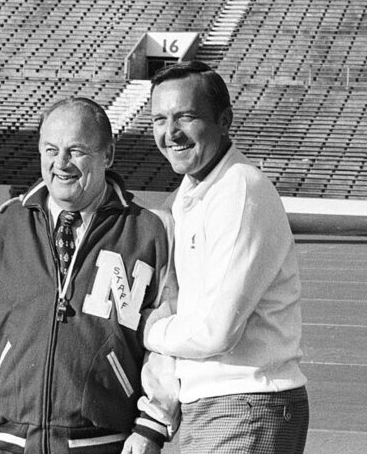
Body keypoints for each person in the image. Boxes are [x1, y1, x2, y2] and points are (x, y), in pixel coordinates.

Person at [0, 97, 179, 454]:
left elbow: (165, 341)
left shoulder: (148, 233)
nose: (61, 164)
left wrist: (152, 424)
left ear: (108, 154)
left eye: (76, 150)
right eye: (50, 149)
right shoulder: (8, 226)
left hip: (105, 443)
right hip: (12, 441)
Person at [144, 61, 309, 454]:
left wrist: (147, 331)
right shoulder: (188, 195)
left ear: (224, 121)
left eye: (186, 116)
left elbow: (217, 332)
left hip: (246, 401)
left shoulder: (239, 189)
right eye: (159, 120)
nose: (171, 133)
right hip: (218, 404)